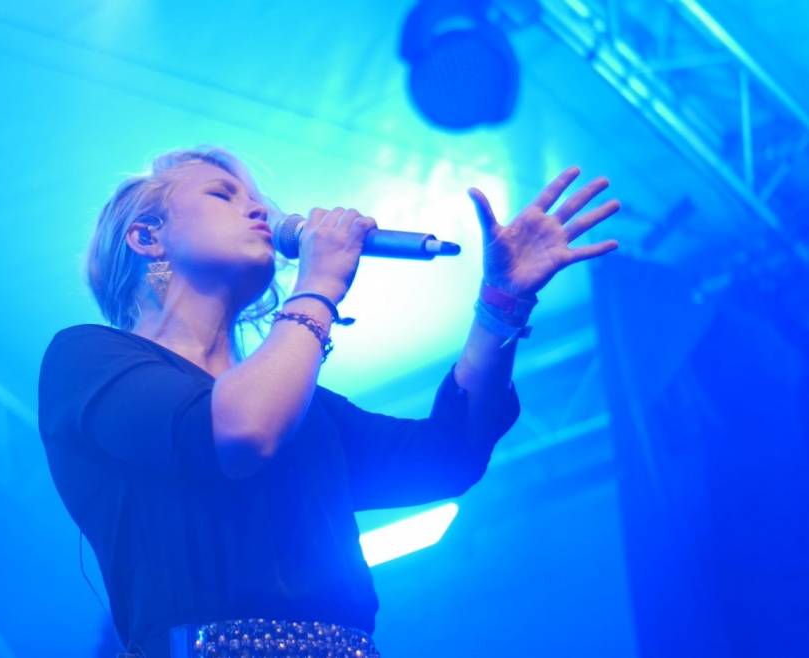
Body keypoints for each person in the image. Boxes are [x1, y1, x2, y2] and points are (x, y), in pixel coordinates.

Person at [37, 146, 620, 657]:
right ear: (147, 236)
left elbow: (449, 455)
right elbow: (240, 432)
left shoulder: (305, 409)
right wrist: (318, 286)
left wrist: (501, 305)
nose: (259, 211)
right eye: (223, 194)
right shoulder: (86, 360)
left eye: (258, 200)